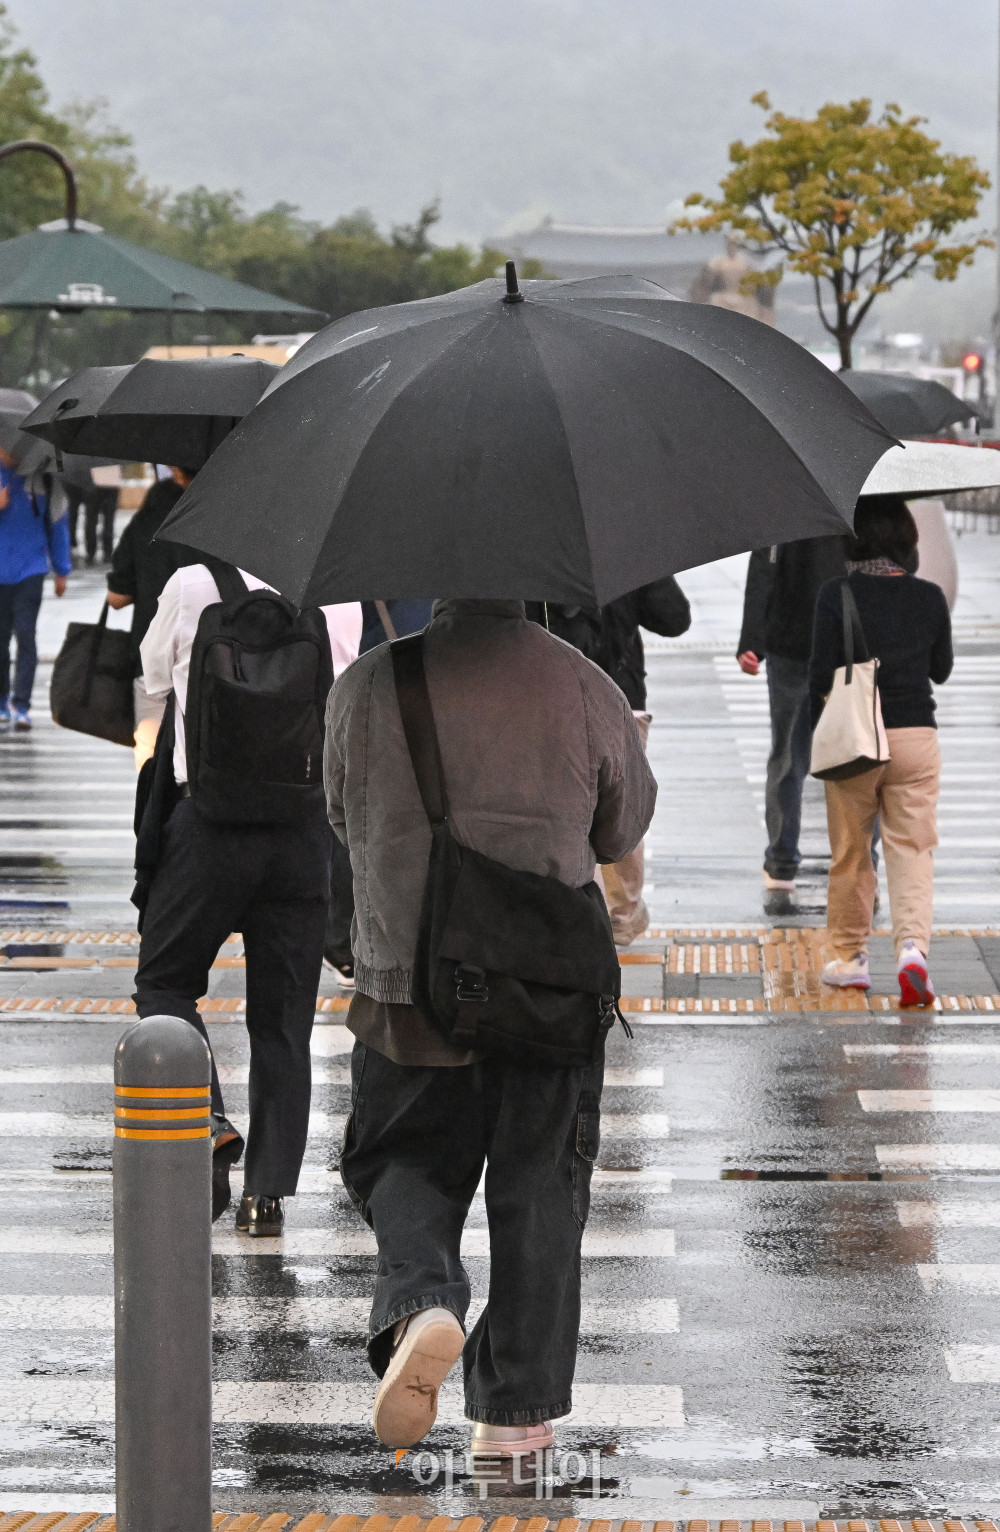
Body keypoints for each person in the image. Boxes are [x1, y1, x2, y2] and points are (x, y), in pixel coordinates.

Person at [326, 597, 656, 1456]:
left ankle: (423, 1294)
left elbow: (338, 814)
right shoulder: (585, 684)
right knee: (541, 1192)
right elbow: (621, 828)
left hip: (408, 984)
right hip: (547, 993)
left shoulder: (367, 683)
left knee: (395, 1158)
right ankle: (515, 1418)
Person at [133, 561, 362, 1233]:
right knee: (283, 1020)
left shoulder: (190, 585)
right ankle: (267, 1195)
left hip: (208, 827)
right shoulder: (337, 593)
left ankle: (206, 1120)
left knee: (165, 982)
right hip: (300, 833)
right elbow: (344, 694)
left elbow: (152, 677)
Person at [809, 497, 953, 1006]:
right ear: (907, 540)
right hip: (916, 734)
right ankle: (913, 949)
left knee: (851, 852)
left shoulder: (836, 595)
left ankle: (850, 960)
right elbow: (941, 670)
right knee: (912, 849)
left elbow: (819, 674)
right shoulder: (930, 597)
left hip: (855, 739)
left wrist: (815, 740)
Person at [527, 577, 690, 944]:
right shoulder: (620, 547)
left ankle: (588, 912)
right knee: (620, 806)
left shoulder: (536, 556)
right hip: (621, 701)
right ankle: (622, 915)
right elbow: (675, 618)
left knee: (567, 812)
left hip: (553, 699)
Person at [323, 598, 435, 988]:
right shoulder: (445, 570)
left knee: (365, 816)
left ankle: (344, 942)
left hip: (375, 693)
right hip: (432, 696)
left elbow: (339, 811)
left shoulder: (363, 569)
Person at [738, 537, 848, 902]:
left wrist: (752, 639)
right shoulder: (856, 500)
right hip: (845, 646)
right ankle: (861, 862)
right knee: (853, 759)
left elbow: (762, 571)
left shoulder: (785, 499)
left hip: (791, 642)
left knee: (788, 756)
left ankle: (782, 861)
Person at [106, 467, 201, 770]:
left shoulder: (145, 523)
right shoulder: (216, 524)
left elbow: (116, 598)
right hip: (207, 654)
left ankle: (154, 810)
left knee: (151, 752)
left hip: (151, 656)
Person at [0, 446, 71, 729]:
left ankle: (21, 704)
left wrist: (61, 569)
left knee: (26, 636)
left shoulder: (44, 480)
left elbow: (58, 524)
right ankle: (1, 699)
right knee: (0, 641)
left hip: (31, 570)